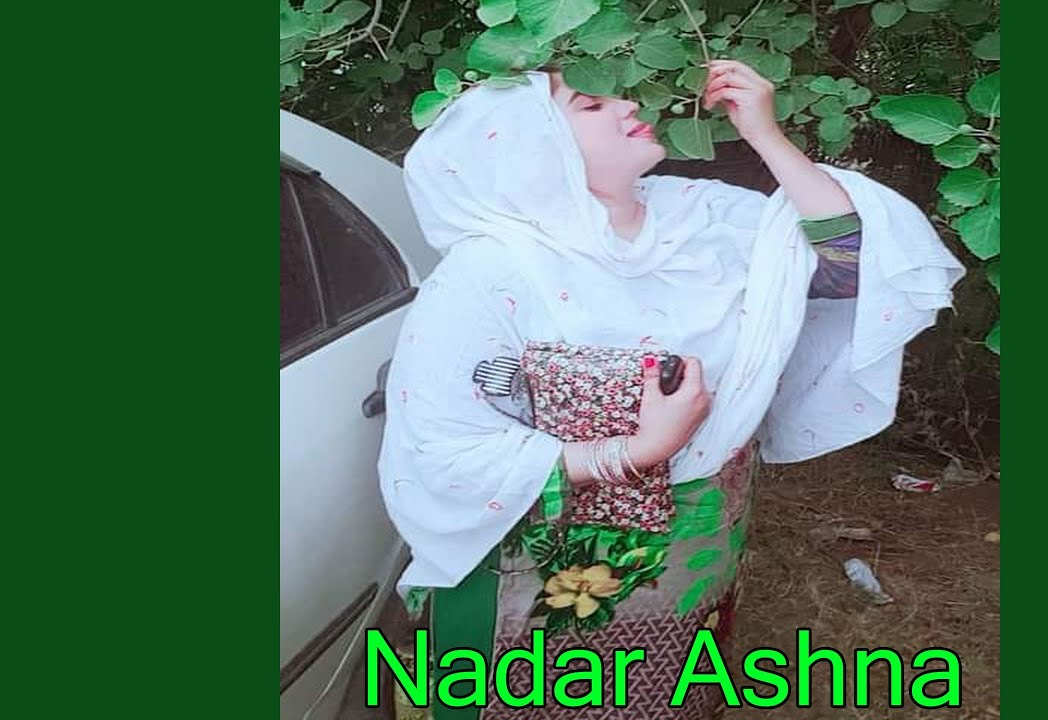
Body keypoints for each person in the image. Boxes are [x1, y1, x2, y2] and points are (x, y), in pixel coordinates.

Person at [377, 61, 964, 719]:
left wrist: (767, 137)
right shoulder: (490, 272)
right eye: (590, 105)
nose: (627, 105)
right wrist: (634, 451)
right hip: (541, 568)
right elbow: (443, 450)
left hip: (700, 540)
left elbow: (857, 265)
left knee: (671, 689)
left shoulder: (700, 217)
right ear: (530, 150)